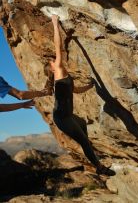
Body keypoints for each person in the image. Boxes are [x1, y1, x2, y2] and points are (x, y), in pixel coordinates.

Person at [46, 15, 115, 176]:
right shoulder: (59, 72)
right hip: (62, 118)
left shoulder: (64, 79)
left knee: (83, 123)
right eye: (52, 61)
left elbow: (75, 91)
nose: (55, 60)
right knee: (83, 140)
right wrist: (55, 24)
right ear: (52, 67)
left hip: (68, 116)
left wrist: (90, 86)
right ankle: (99, 166)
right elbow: (59, 48)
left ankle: (90, 151)